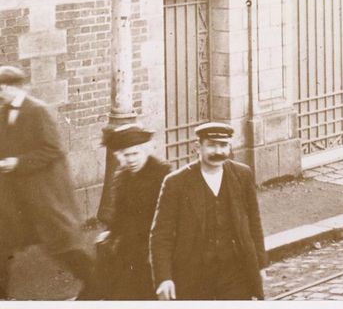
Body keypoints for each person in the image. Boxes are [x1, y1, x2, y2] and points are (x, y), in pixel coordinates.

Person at [0, 65, 94, 299]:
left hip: (41, 196)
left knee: (63, 247)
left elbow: (53, 149)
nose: (0, 94)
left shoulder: (38, 111)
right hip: (14, 199)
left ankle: (98, 284)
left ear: (15, 87)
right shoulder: (4, 112)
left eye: (2, 88)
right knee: (2, 245)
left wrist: (18, 162)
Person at [151, 122, 267, 300]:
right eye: (211, 145)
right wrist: (164, 277)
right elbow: (161, 234)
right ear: (198, 147)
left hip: (234, 271)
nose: (218, 151)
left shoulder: (242, 175)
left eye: (223, 145)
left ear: (230, 147)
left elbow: (254, 222)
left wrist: (260, 264)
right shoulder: (176, 183)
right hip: (193, 274)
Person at [81, 124, 171, 300]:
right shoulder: (124, 176)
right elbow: (121, 214)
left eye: (135, 154)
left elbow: (168, 220)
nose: (131, 160)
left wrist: (155, 251)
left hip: (152, 248)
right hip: (128, 246)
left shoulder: (162, 175)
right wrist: (111, 233)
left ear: (145, 151)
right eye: (126, 155)